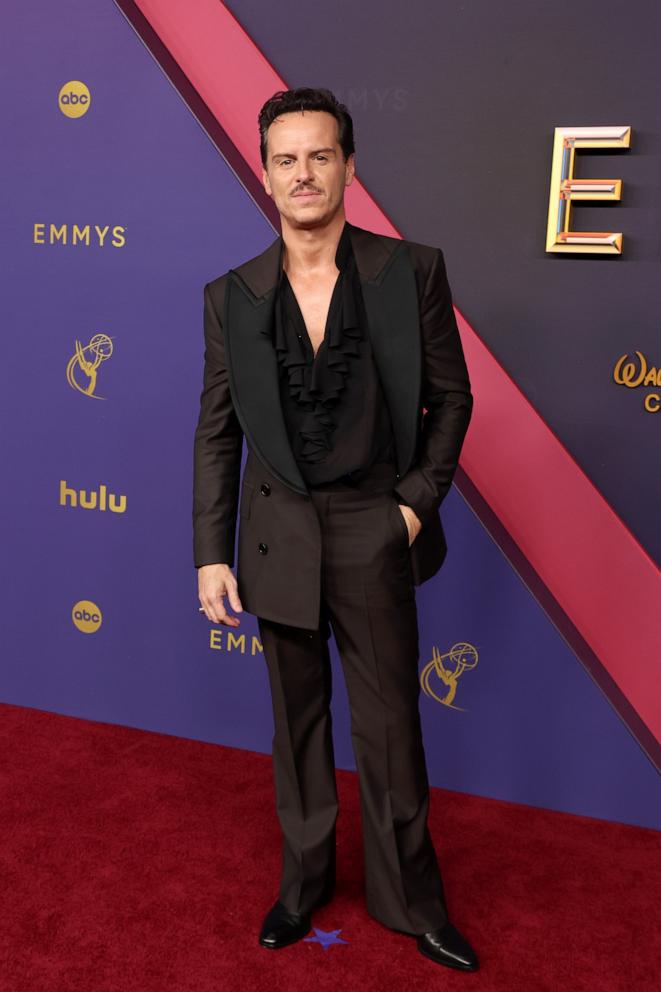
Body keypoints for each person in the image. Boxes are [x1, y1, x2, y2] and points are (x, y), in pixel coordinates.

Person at [193, 87, 477, 972]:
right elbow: (217, 430)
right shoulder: (230, 296)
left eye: (320, 156)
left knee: (391, 725)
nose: (303, 174)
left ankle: (410, 900)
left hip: (372, 524)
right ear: (265, 173)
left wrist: (412, 503)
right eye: (286, 159)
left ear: (349, 167)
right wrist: (210, 552)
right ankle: (302, 885)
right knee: (297, 722)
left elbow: (452, 398)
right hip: (277, 533)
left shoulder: (411, 270)